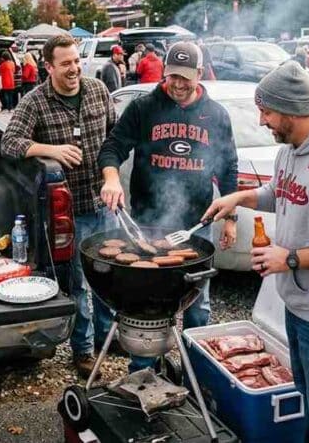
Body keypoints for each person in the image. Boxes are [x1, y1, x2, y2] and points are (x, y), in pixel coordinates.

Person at [202, 60, 309, 443]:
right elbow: (279, 192)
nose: (262, 120)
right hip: (301, 304)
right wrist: (240, 197)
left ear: (290, 110)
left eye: (266, 112)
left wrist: (291, 259)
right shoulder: (290, 151)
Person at [99, 41, 239, 370]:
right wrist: (111, 178)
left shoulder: (216, 115)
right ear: (164, 72)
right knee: (147, 304)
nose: (177, 84)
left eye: (185, 78)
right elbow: (113, 147)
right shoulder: (144, 108)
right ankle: (143, 373)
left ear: (200, 75)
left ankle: (200, 374)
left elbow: (229, 168)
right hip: (147, 223)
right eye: (172, 76)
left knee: (197, 307)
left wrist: (230, 218)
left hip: (195, 228)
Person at [1, 34, 116, 378]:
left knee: (109, 277)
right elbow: (9, 143)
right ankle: (82, 350)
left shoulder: (97, 90)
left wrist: (115, 176)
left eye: (77, 61)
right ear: (48, 67)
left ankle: (107, 339)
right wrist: (50, 150)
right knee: (80, 283)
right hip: (71, 211)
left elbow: (115, 135)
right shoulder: (35, 101)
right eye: (66, 64)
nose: (74, 69)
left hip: (105, 203)